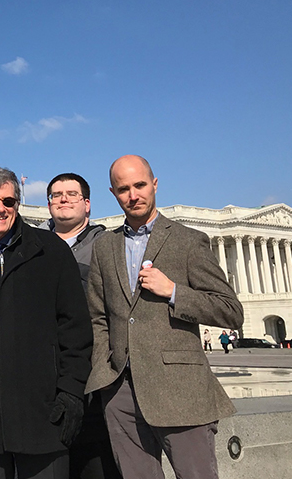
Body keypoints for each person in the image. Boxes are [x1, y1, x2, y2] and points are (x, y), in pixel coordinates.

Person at [87, 155, 244, 479]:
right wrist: (106, 372)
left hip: (180, 390)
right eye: (124, 188)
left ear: (155, 184)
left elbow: (230, 310)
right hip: (121, 391)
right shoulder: (105, 247)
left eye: (140, 185)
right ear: (113, 193)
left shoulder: (188, 241)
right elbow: (98, 317)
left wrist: (173, 291)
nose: (133, 194)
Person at [0, 164, 92, 479]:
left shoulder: (51, 251)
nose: (1, 208)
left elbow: (76, 329)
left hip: (45, 416)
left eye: (9, 202)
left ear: (17, 205)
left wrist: (70, 392)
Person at [39, 172, 120, 479]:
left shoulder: (108, 245)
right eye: (56, 195)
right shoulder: (34, 245)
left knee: (96, 466)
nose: (63, 199)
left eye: (72, 194)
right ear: (48, 206)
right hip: (47, 374)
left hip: (95, 375)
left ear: (87, 204)